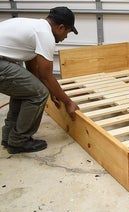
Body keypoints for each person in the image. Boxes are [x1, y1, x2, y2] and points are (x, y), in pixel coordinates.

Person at [0, 7, 79, 154]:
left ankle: (9, 136)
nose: (65, 37)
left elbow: (32, 68)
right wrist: (68, 102)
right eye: (67, 32)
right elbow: (46, 75)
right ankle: (19, 141)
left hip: (4, 61)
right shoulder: (45, 34)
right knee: (39, 94)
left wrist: (51, 90)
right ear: (60, 27)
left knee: (27, 90)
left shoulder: (36, 27)